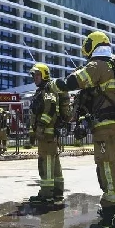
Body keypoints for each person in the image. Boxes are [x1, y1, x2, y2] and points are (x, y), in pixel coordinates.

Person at [49, 31, 115, 228]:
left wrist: (53, 85)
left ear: (91, 46)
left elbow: (72, 82)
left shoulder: (98, 66)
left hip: (108, 129)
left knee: (109, 170)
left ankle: (108, 222)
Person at [27, 63, 65, 206]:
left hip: (47, 135)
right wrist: (33, 133)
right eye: (33, 76)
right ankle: (57, 193)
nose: (35, 78)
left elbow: (50, 110)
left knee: (46, 164)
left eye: (37, 75)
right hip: (46, 135)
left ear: (44, 75)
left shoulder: (48, 90)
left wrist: (41, 128)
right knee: (54, 165)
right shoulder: (42, 90)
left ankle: (47, 195)